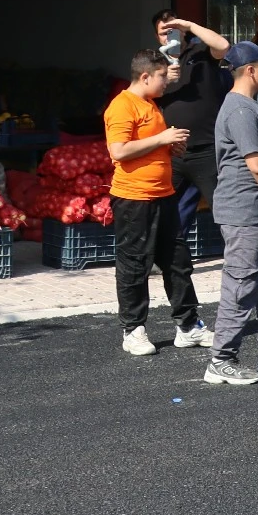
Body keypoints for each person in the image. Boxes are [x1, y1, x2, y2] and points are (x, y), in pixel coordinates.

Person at [107, 46, 201, 357]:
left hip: (163, 195)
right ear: (145, 76)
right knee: (134, 264)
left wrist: (168, 149)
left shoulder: (150, 105)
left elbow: (144, 147)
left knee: (177, 261)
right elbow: (118, 150)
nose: (167, 83)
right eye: (162, 77)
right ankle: (133, 329)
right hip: (134, 198)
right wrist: (161, 140)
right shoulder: (122, 106)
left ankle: (188, 326)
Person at [204, 41, 258, 385]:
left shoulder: (248, 107)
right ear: (250, 70)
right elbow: (256, 165)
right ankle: (221, 360)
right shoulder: (240, 110)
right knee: (242, 282)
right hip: (243, 211)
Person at [154, 10, 232, 239]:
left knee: (224, 209)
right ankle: (165, 259)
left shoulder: (200, 52)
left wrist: (189, 25)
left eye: (173, 29)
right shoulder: (154, 62)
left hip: (206, 148)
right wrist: (164, 79)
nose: (168, 36)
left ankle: (238, 258)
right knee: (165, 209)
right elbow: (141, 93)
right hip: (172, 149)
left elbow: (223, 45)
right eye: (163, 32)